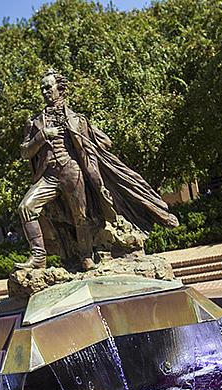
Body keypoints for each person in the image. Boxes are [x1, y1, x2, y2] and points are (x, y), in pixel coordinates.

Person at [15, 68, 178, 271]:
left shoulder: (77, 119)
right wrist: (42, 136)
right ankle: (39, 256)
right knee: (26, 207)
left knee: (80, 217)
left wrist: (95, 146)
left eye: (49, 87)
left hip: (71, 171)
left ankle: (86, 256)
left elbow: (100, 142)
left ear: (61, 89)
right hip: (48, 175)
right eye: (42, 88)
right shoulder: (35, 122)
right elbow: (24, 152)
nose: (44, 91)